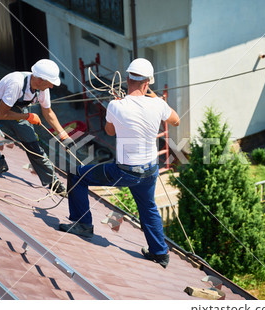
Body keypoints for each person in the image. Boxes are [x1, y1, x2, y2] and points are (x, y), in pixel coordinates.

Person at [59, 58, 180, 268]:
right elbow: (176, 120)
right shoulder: (158, 104)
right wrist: (155, 98)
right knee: (148, 207)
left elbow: (109, 131)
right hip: (150, 170)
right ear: (147, 84)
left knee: (77, 175)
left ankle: (83, 225)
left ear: (127, 79)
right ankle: (160, 253)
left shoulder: (116, 105)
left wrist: (116, 111)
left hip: (125, 172)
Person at [0, 59, 68, 195]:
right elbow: (1, 114)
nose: (51, 87)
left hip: (17, 111)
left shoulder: (42, 89)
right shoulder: (16, 83)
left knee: (34, 147)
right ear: (41, 80)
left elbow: (48, 112)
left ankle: (53, 182)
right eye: (50, 83)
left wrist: (64, 135)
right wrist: (28, 117)